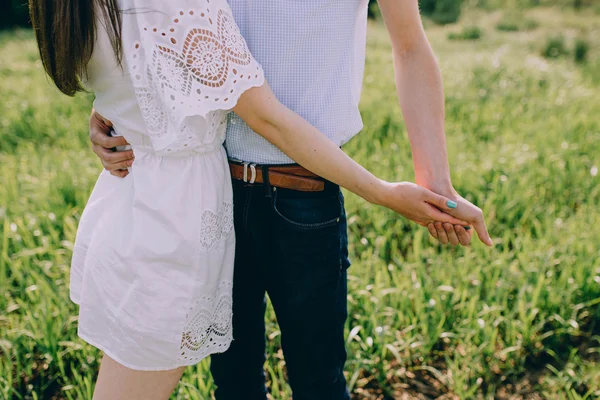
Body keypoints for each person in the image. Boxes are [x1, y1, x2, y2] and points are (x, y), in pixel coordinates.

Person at [30, 0, 492, 398]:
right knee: (232, 382)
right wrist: (114, 112)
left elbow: (409, 46)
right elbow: (153, 40)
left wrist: (434, 181)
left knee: (319, 379)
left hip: (303, 193)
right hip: (208, 198)